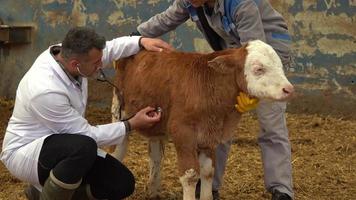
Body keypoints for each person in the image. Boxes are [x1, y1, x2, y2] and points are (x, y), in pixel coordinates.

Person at [133, 0, 294, 199]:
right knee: (216, 116)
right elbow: (166, 19)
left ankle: (281, 190)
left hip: (266, 53)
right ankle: (210, 186)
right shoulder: (190, 1)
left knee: (270, 121)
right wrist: (133, 38)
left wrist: (250, 93)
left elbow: (256, 49)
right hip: (234, 54)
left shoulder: (241, 5)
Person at [0, 27, 173, 200]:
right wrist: (131, 124)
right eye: (97, 63)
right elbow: (87, 135)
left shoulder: (68, 54)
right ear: (76, 64)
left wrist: (140, 41)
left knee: (122, 183)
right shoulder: (45, 90)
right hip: (28, 150)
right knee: (83, 147)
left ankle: (40, 193)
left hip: (66, 144)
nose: (101, 65)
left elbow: (110, 50)